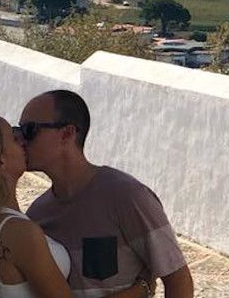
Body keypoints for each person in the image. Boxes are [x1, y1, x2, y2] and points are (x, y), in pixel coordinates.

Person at [0, 109, 155, 298]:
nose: (23, 140)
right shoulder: (20, 233)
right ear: (0, 161)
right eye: (14, 137)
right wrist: (142, 287)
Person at [20, 91, 194, 298]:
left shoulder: (126, 196)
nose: (21, 140)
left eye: (29, 130)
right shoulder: (37, 215)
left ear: (67, 133)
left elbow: (178, 279)